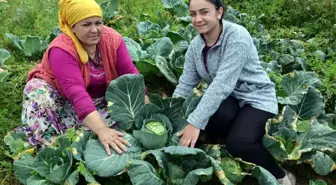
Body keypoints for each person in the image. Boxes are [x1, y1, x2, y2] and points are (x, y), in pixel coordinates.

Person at [174, 0, 296, 184]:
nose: (198, 19)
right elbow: (185, 83)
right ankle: (237, 133)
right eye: (193, 14)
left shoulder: (237, 37)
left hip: (256, 99)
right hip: (229, 99)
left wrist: (194, 123)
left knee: (239, 144)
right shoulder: (195, 46)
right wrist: (172, 114)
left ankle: (281, 175)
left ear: (219, 12)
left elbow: (222, 84)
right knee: (207, 121)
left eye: (204, 12)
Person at [20, 0, 149, 156]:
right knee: (36, 92)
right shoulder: (61, 49)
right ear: (72, 27)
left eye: (98, 23)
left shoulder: (113, 40)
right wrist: (101, 129)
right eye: (86, 25)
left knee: (121, 124)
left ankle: (84, 132)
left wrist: (147, 115)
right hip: (61, 100)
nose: (94, 30)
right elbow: (76, 93)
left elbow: (132, 76)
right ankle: (54, 150)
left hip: (98, 102)